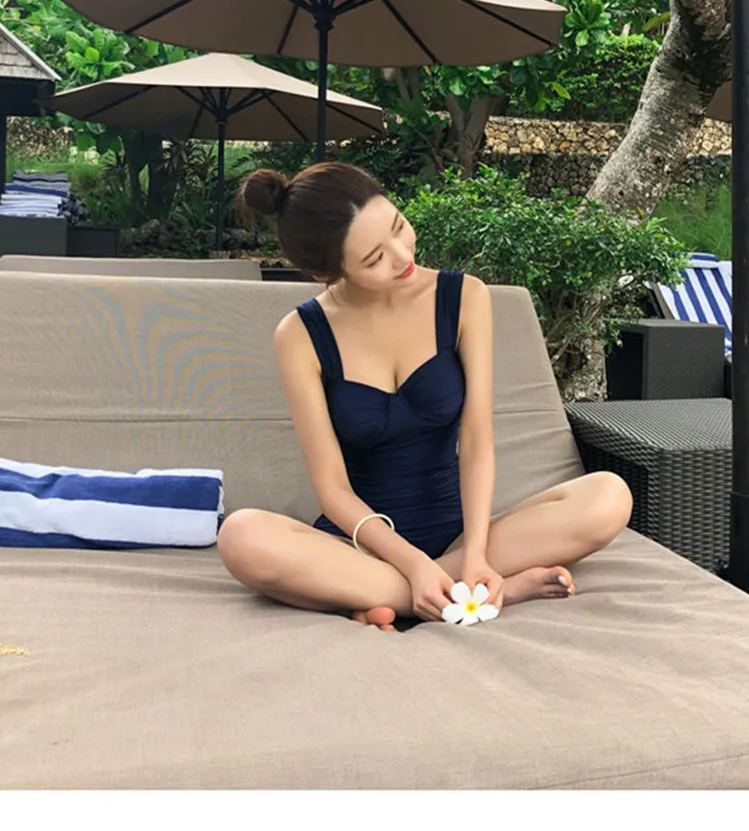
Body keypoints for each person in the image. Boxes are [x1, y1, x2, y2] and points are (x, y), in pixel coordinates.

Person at [218, 162, 632, 631]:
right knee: (241, 535)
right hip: (357, 547)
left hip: (460, 536)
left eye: (398, 226)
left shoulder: (464, 297)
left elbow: (476, 442)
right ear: (326, 273)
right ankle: (468, 594)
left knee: (608, 496)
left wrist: (476, 553)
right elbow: (332, 490)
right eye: (375, 258)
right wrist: (413, 566)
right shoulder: (299, 335)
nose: (402, 256)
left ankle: (391, 594)